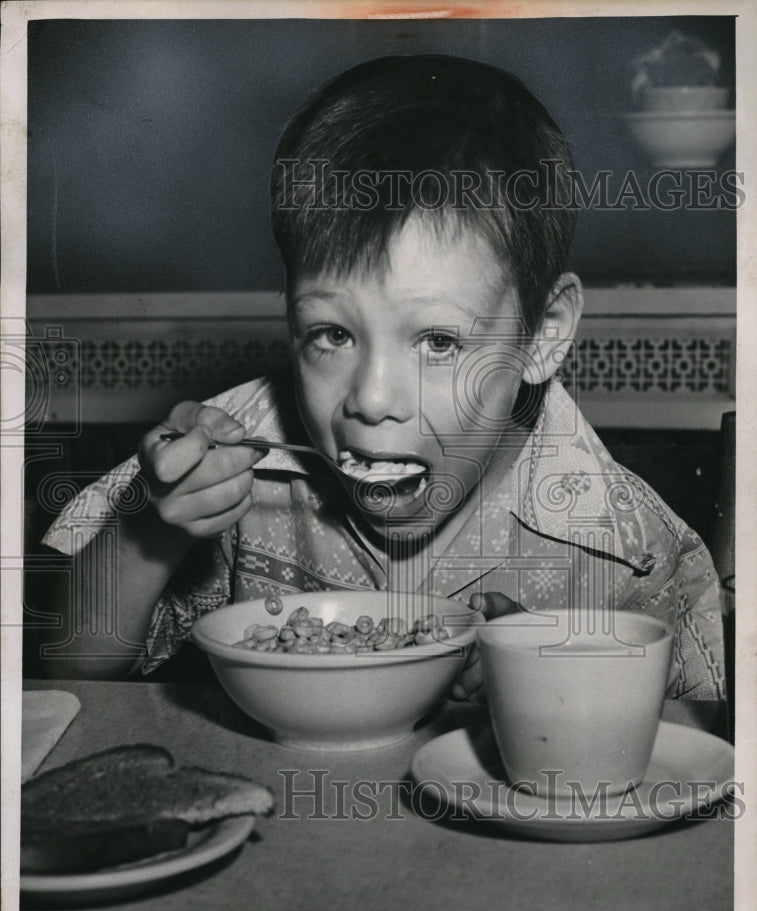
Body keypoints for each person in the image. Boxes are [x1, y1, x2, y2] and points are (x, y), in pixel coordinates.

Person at [40, 54, 725, 712]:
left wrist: (548, 686)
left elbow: (700, 746)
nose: (369, 399)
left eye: (438, 342)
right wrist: (146, 536)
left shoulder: (628, 545)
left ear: (542, 335)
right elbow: (66, 667)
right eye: (332, 335)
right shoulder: (233, 452)